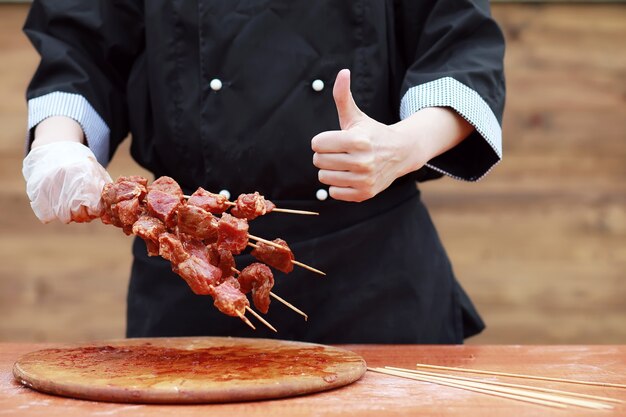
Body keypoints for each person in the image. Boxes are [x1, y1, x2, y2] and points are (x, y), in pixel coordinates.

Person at [21, 1, 505, 343]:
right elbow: (80, 43)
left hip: (375, 285)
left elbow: (460, 44)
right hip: (190, 279)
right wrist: (57, 145)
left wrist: (403, 145)